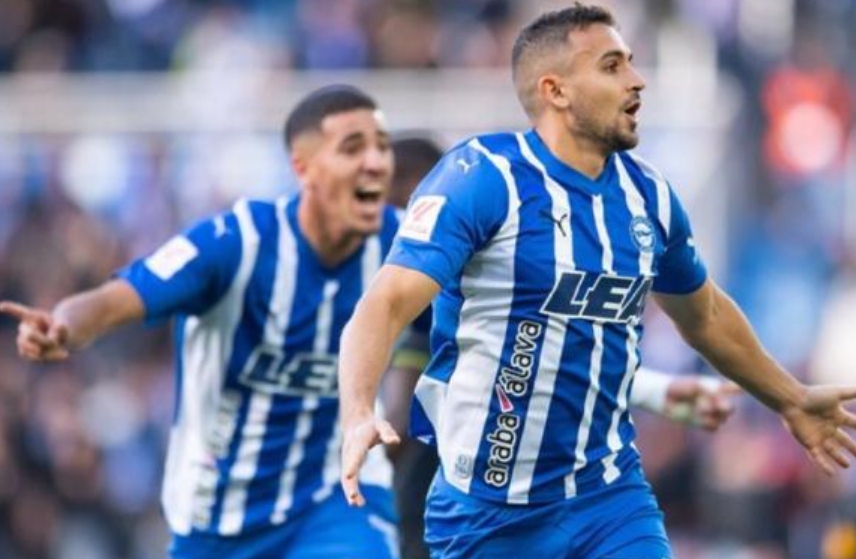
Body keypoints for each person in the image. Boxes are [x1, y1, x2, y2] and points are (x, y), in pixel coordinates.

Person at [337, 5, 856, 559]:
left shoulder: (648, 197)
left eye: (629, 62)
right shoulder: (486, 178)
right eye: (611, 66)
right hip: (485, 513)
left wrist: (790, 399)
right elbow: (386, 302)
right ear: (555, 90)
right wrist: (358, 412)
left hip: (608, 499)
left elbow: (704, 314)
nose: (636, 80)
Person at [1, 85, 402, 559]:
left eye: (382, 146)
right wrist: (64, 325)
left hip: (337, 499)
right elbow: (117, 299)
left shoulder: (403, 249)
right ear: (303, 167)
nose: (376, 162)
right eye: (353, 148)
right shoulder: (235, 243)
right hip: (217, 514)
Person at [383, 135, 739, 559]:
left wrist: (653, 390)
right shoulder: (409, 290)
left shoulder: (471, 272)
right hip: (451, 506)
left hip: (521, 500)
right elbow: (400, 419)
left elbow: (545, 361)